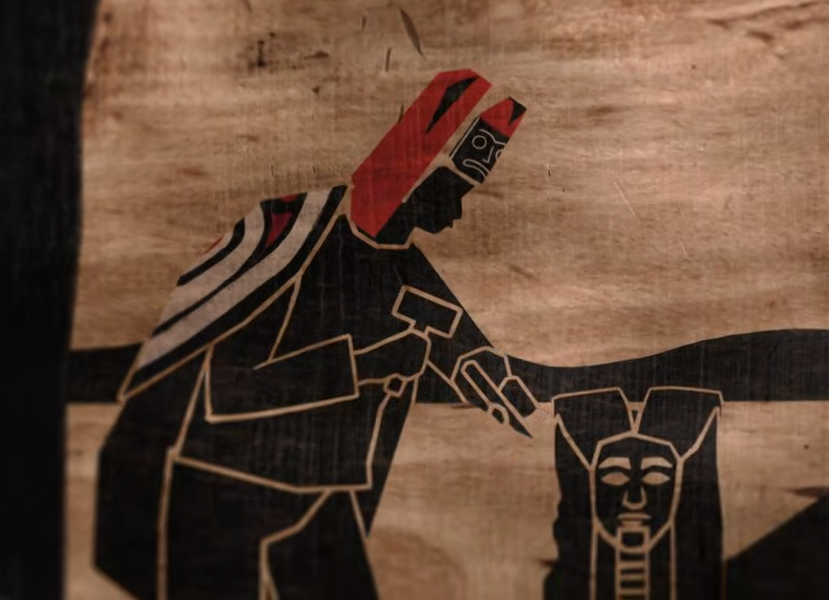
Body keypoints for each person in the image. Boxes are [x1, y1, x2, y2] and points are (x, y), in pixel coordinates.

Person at [95, 69, 539, 600]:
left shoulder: (400, 262)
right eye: (449, 189)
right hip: (229, 476)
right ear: (407, 178)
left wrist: (478, 365)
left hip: (325, 487)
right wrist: (364, 365)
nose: (456, 210)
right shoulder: (284, 244)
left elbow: (446, 327)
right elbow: (226, 386)